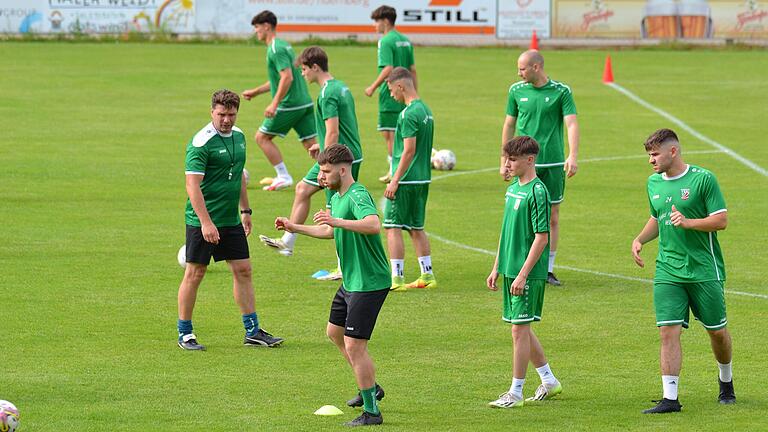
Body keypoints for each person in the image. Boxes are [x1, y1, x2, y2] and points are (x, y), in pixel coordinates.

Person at [273, 145, 390, 426]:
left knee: (354, 345)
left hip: (369, 281)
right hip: (351, 279)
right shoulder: (334, 194)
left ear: (342, 169)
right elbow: (328, 229)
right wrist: (294, 227)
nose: (321, 177)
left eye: (325, 172)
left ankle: (372, 411)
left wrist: (337, 220)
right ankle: (370, 387)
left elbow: (373, 224)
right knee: (335, 333)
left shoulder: (357, 193)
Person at [632, 128, 735, 414]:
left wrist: (689, 223)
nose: (651, 161)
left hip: (704, 269)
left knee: (717, 333)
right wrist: (640, 239)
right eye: (649, 155)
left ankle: (725, 380)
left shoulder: (703, 179)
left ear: (673, 152)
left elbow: (721, 220)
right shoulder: (653, 183)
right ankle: (670, 398)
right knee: (667, 331)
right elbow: (658, 217)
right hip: (668, 269)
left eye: (655, 154)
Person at [177, 89, 283, 350]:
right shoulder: (201, 143)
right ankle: (185, 333)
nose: (226, 119)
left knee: (244, 270)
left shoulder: (240, 137)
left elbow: (238, 178)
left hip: (230, 219)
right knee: (195, 273)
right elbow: (193, 187)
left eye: (231, 114)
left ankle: (252, 331)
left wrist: (245, 211)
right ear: (212, 111)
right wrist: (205, 222)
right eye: (221, 114)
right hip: (203, 219)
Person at [259, 46, 364, 283]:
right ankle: (288, 242)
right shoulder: (341, 86)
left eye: (304, 70)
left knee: (334, 212)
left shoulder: (327, 94)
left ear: (315, 67)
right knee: (302, 190)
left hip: (340, 159)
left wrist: (325, 164)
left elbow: (334, 130)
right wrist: (320, 146)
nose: (302, 75)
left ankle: (342, 267)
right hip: (344, 153)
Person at [486, 136, 563, 408]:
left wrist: (522, 274)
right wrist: (497, 266)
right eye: (507, 159)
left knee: (519, 330)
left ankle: (516, 393)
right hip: (510, 269)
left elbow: (542, 236)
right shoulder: (513, 189)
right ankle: (549, 380)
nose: (508, 164)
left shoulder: (537, 191)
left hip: (526, 273)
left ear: (530, 160)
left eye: (513, 160)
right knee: (522, 329)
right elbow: (505, 230)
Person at [501, 49, 580, 286]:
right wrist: (504, 161)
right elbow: (508, 124)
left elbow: (572, 123)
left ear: (536, 67)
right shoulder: (516, 91)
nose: (519, 73)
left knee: (552, 216)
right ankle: (518, 263)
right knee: (519, 213)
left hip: (553, 162)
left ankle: (547, 269)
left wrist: (572, 155)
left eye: (522, 68)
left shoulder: (561, 92)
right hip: (523, 166)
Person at [242, 10, 317, 191]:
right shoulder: (284, 45)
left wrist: (274, 104)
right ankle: (336, 171)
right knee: (311, 144)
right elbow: (278, 79)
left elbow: (287, 77)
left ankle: (283, 176)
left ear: (267, 26)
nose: (256, 31)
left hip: (290, 104)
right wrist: (256, 91)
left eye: (257, 27)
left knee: (262, 137)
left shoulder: (275, 49)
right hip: (304, 102)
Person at [383, 67, 436, 291]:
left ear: (400, 86)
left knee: (392, 227)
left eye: (391, 90)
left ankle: (397, 279)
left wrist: (394, 180)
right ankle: (427, 275)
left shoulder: (407, 114)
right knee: (416, 228)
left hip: (406, 180)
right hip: (422, 179)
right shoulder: (426, 110)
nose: (391, 95)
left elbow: (408, 151)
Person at [365, 5, 416, 184]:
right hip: (406, 92)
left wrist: (372, 87)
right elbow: (412, 69)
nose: (375, 26)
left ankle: (395, 170)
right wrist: (414, 93)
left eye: (376, 21)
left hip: (391, 94)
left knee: (390, 134)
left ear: (385, 21)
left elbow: (388, 68)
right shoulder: (405, 40)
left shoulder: (385, 41)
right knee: (399, 132)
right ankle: (397, 168)